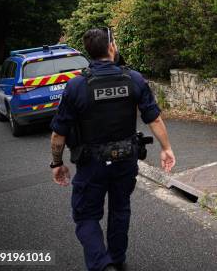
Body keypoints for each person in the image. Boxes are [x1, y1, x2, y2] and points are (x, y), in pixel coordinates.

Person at [50, 27, 176, 271]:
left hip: (91, 165)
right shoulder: (133, 79)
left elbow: (59, 133)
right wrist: (166, 148)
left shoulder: (76, 86)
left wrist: (56, 163)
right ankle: (117, 259)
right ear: (111, 48)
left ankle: (102, 265)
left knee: (86, 215)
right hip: (125, 160)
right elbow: (154, 118)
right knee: (120, 209)